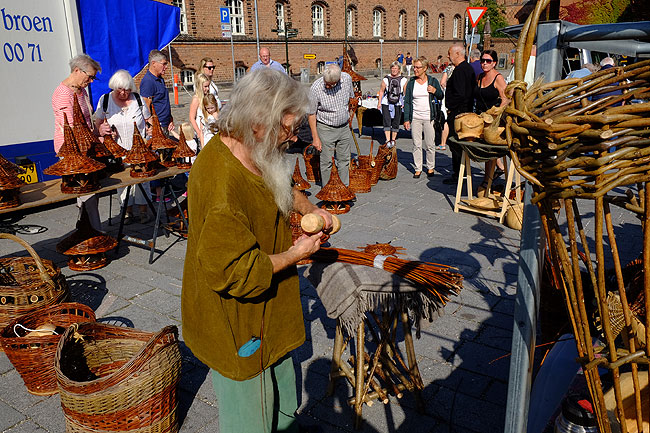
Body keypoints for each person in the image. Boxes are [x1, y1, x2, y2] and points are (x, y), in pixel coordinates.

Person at [182, 68, 333, 433]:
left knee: (281, 401)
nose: (292, 137)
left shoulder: (253, 150)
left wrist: (309, 209)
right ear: (259, 123)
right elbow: (240, 273)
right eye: (288, 128)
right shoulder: (222, 182)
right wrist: (298, 253)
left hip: (269, 313)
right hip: (238, 322)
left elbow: (276, 184)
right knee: (251, 419)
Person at [52, 53, 104, 231]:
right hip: (72, 151)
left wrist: (97, 132)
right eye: (89, 77)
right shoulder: (62, 93)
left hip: (86, 148)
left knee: (90, 194)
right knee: (86, 193)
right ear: (77, 70)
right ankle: (92, 232)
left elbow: (87, 119)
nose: (90, 81)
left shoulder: (80, 91)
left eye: (93, 78)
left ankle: (88, 229)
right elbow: (71, 127)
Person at [95, 69, 152, 225]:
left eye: (127, 90)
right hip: (118, 150)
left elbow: (149, 120)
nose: (123, 93)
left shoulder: (138, 100)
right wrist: (101, 131)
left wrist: (151, 130)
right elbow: (97, 124)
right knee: (122, 182)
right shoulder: (105, 100)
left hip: (139, 149)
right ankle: (126, 211)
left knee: (142, 180)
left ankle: (143, 210)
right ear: (114, 87)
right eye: (120, 89)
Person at [308, 64, 355, 185]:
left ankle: (343, 189)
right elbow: (311, 114)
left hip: (344, 127)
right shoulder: (316, 88)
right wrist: (315, 138)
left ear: (338, 80)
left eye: (331, 84)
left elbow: (351, 99)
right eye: (326, 83)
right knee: (326, 161)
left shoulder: (347, 79)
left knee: (344, 160)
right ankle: (328, 191)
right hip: (325, 128)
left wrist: (347, 116)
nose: (328, 86)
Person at [403, 56, 444, 179]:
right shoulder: (411, 83)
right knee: (416, 144)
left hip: (429, 117)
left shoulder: (432, 81)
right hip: (415, 117)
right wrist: (406, 119)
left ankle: (430, 167)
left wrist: (435, 91)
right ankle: (418, 168)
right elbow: (407, 102)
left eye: (417, 67)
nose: (415, 69)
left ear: (425, 68)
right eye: (414, 67)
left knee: (430, 144)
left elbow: (441, 96)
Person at [475, 49, 509, 188]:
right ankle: (495, 170)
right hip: (480, 117)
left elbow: (505, 98)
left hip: (493, 119)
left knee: (490, 149)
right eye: (482, 60)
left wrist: (496, 115)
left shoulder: (498, 78)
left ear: (494, 63)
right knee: (483, 149)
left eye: (488, 61)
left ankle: (486, 179)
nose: (484, 63)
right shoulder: (479, 77)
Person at [443, 44, 476, 185]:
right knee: (456, 144)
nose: (448, 56)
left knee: (456, 143)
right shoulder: (465, 69)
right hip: (461, 111)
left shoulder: (462, 70)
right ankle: (459, 172)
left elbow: (461, 94)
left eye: (449, 53)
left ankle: (458, 174)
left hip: (459, 113)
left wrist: (451, 107)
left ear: (457, 54)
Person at [140, 50, 174, 132]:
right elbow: (146, 106)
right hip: (156, 127)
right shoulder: (148, 82)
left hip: (164, 124)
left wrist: (170, 118)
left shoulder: (160, 79)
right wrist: (152, 126)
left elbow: (162, 101)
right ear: (154, 63)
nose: (166, 67)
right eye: (164, 64)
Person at [377, 62, 407, 148]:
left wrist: (404, 102)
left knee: (396, 121)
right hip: (386, 102)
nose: (394, 70)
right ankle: (387, 139)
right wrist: (379, 103)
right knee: (386, 120)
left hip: (398, 102)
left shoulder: (403, 80)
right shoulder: (386, 79)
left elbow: (405, 93)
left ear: (399, 69)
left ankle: (393, 139)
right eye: (392, 68)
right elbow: (381, 91)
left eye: (396, 68)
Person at [189, 72, 211, 147]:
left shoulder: (207, 96)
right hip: (201, 131)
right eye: (205, 86)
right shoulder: (196, 99)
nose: (207, 89)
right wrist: (198, 132)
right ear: (199, 86)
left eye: (208, 86)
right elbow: (192, 117)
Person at [438, 62, 456, 151]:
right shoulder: (462, 68)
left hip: (448, 96)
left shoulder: (448, 69)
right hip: (458, 96)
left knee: (446, 120)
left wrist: (447, 88)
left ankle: (443, 143)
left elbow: (442, 82)